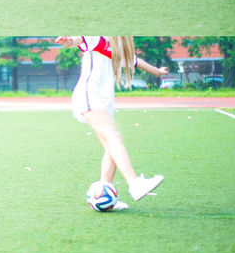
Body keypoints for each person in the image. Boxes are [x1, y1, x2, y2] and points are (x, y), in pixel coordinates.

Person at [55, 36, 168, 210]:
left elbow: (136, 62)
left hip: (103, 102)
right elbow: (79, 40)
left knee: (111, 148)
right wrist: (69, 41)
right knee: (114, 138)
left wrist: (158, 72)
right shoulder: (96, 39)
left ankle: (104, 192)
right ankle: (135, 183)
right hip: (89, 96)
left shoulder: (117, 52)